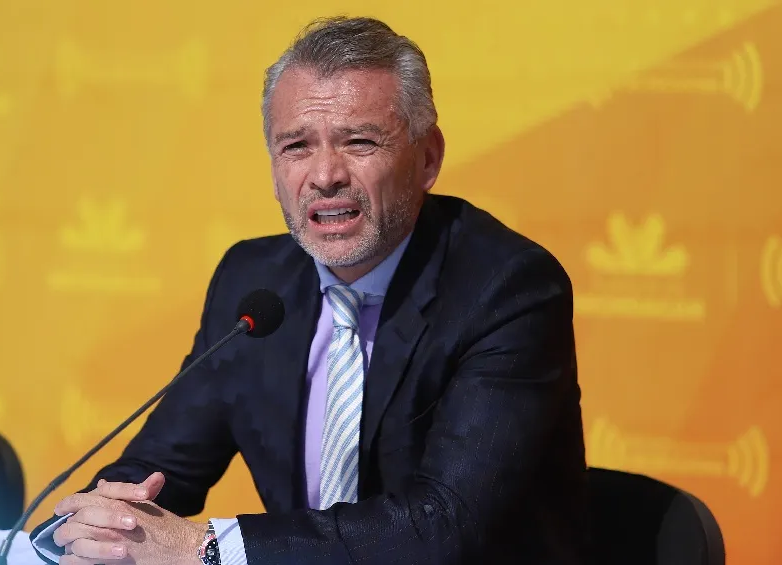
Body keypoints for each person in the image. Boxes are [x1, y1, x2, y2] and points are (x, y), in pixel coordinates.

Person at [30, 15, 587, 565]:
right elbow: (163, 464)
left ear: (428, 157)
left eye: (360, 141)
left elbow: (445, 525)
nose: (325, 175)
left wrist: (206, 550)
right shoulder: (253, 280)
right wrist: (96, 523)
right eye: (296, 146)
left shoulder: (506, 290)